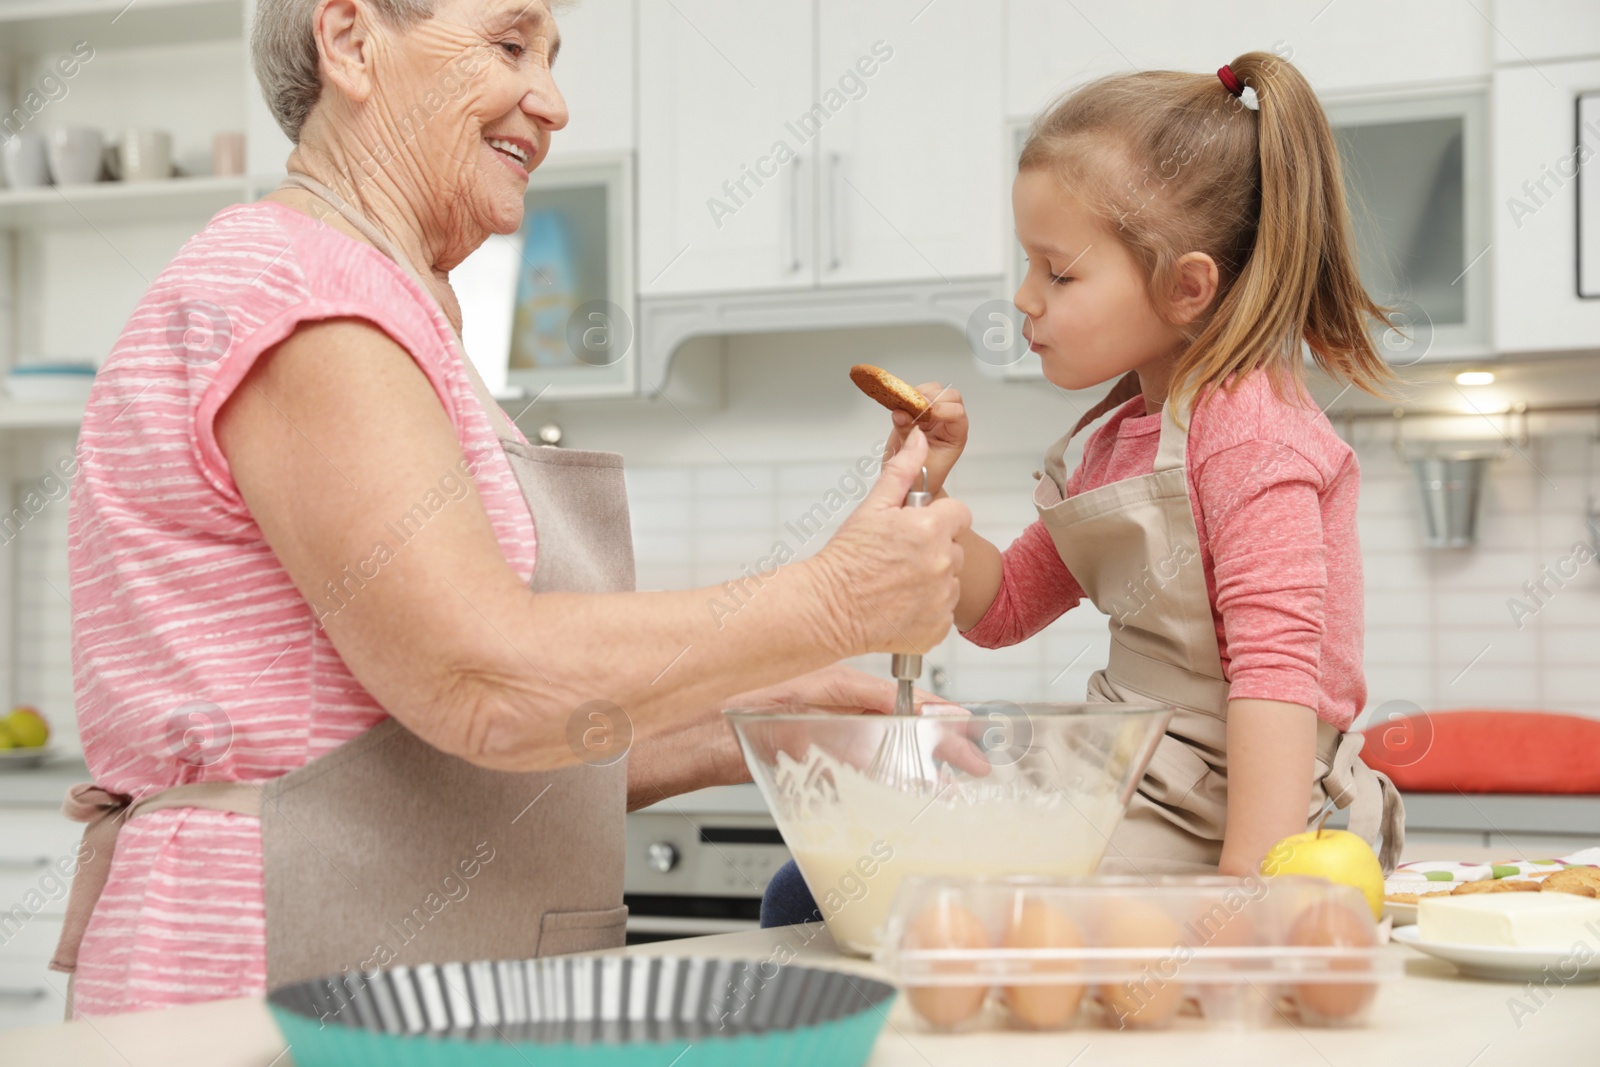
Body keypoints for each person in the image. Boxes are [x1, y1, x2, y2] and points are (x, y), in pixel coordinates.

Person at [56, 0, 969, 1017]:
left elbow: (414, 760)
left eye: (551, 54)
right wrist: (838, 598)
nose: (554, 101)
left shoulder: (380, 304)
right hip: (257, 978)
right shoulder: (302, 299)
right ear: (350, 39)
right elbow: (480, 680)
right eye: (508, 44)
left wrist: (747, 726)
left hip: (378, 973)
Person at [761, 51, 1406, 925]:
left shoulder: (1253, 435)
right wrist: (932, 503)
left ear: (1186, 287)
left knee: (886, 900)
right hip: (1130, 765)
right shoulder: (1115, 438)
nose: (1024, 297)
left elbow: (1276, 677)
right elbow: (1005, 609)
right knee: (809, 888)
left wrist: (1247, 891)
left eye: (1057, 272)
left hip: (1236, 796)